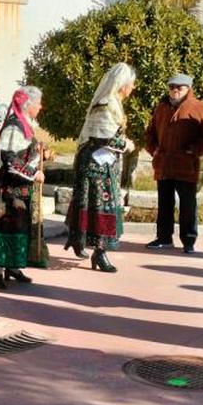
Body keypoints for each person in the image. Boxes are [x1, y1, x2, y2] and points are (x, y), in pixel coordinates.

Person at [65, 63, 137, 273]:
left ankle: (91, 246)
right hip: (93, 167)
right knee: (97, 206)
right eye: (130, 84)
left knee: (103, 206)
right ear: (122, 84)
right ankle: (99, 251)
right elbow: (102, 136)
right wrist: (126, 144)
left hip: (104, 166)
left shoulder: (114, 103)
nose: (132, 88)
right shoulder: (104, 104)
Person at [143, 74, 203, 254]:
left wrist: (193, 151)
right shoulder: (161, 107)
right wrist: (154, 150)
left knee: (187, 205)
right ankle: (164, 238)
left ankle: (189, 241)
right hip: (164, 165)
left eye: (180, 87)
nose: (175, 90)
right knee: (164, 203)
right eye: (172, 87)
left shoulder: (201, 107)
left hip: (186, 165)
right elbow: (150, 133)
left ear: (188, 89)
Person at [0, 87, 48, 289]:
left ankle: (12, 266)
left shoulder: (24, 124)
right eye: (38, 102)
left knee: (20, 225)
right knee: (6, 224)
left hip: (21, 186)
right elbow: (9, 158)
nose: (41, 106)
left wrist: (40, 156)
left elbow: (24, 152)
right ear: (29, 105)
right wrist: (33, 173)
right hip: (10, 185)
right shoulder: (14, 126)